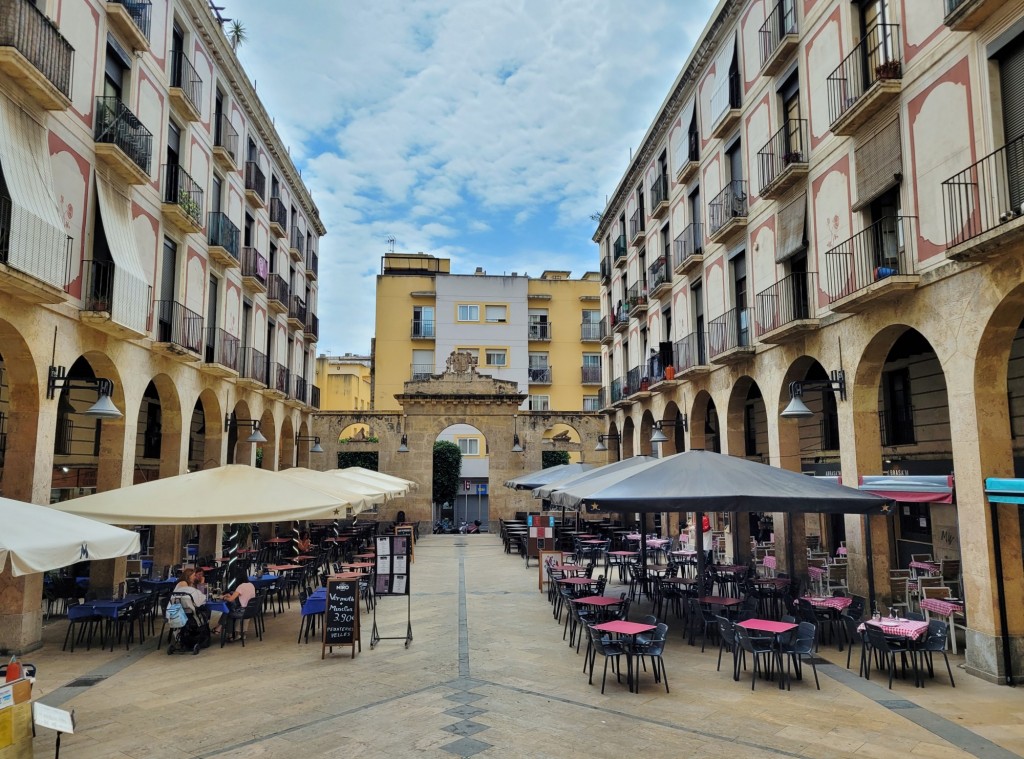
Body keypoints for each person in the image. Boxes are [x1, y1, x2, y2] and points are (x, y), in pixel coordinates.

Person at [220, 564, 256, 641]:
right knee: (230, 609)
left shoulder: (240, 587)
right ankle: (242, 633)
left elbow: (231, 599)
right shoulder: (251, 585)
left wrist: (223, 597)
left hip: (242, 611)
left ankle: (231, 634)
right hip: (251, 610)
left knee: (228, 612)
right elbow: (240, 595)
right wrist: (230, 595)